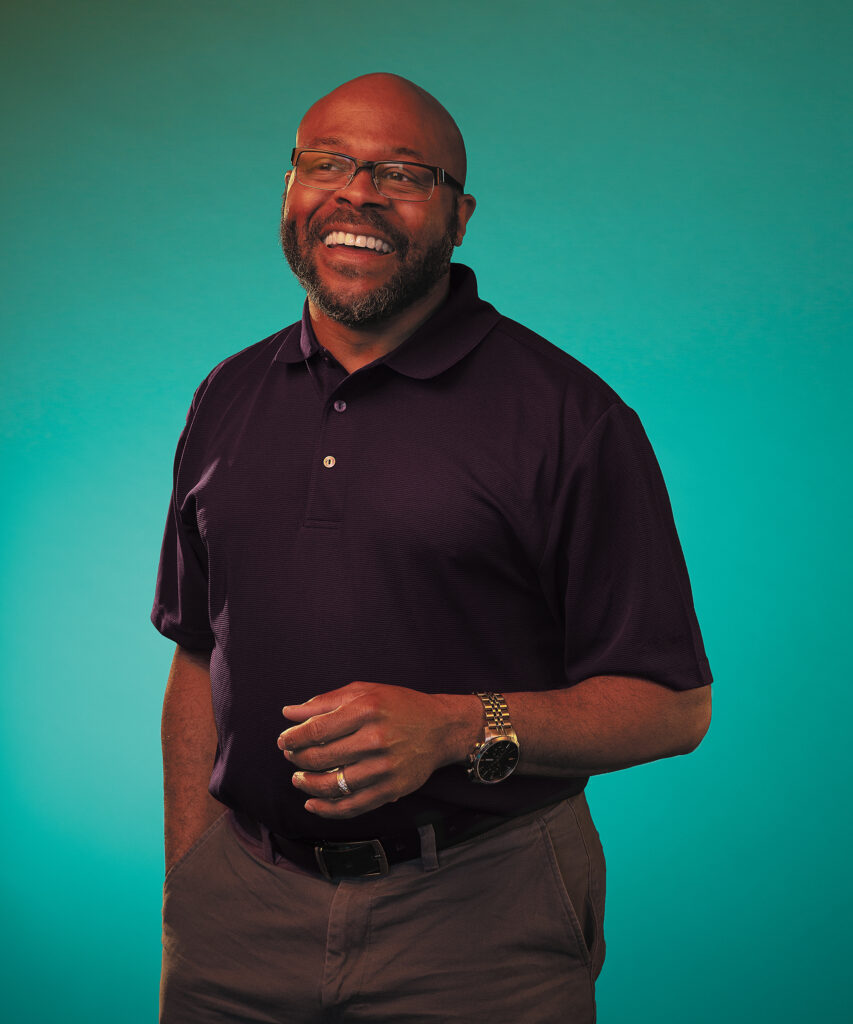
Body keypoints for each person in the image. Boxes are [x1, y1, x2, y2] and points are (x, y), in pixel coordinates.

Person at [152, 72, 712, 1023]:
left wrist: (456, 729)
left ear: (460, 216)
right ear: (289, 190)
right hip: (239, 919)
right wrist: (193, 879)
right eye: (326, 163)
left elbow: (671, 708)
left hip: (481, 918)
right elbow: (198, 653)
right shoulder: (226, 396)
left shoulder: (569, 418)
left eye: (402, 173)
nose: (356, 193)